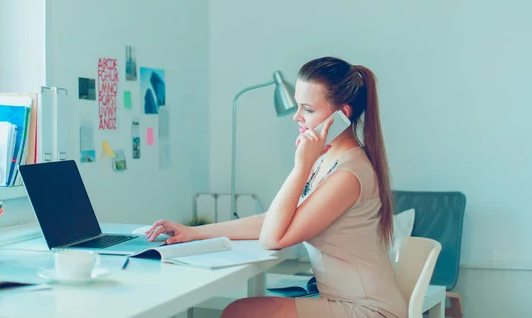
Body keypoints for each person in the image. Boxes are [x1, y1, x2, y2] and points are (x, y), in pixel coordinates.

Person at [145, 57, 407, 318]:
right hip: (342, 301)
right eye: (298, 106)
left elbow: (273, 238)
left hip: (369, 310)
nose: (296, 117)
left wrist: (300, 167)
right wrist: (194, 232)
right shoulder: (328, 159)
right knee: (242, 311)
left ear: (342, 114)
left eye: (308, 109)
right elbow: (276, 222)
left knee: (241, 313)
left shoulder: (348, 174)